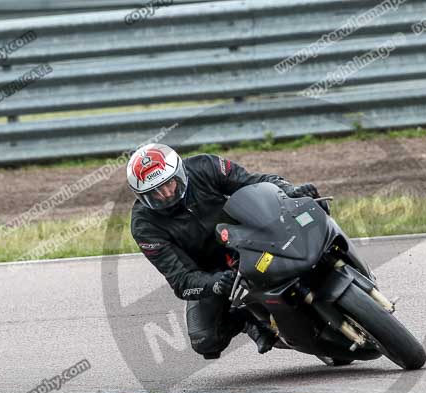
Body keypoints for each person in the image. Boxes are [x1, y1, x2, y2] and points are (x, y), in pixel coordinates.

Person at [127, 143, 322, 360]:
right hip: (213, 272)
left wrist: (288, 190)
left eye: (168, 183)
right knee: (205, 340)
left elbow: (254, 183)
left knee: (308, 216)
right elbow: (181, 280)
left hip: (251, 239)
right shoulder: (144, 226)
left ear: (178, 173)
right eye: (154, 192)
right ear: (141, 194)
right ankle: (246, 319)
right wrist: (216, 283)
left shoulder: (205, 166)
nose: (165, 194)